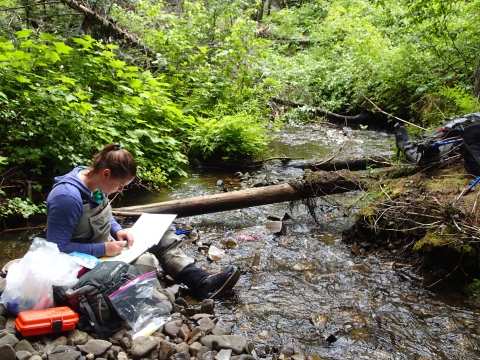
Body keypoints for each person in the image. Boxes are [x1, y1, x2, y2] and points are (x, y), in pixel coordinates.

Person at [46, 142, 240, 299]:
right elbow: (57, 247)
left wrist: (117, 230)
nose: (120, 190)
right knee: (146, 262)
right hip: (81, 263)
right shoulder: (67, 197)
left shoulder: (95, 181)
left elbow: (105, 215)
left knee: (162, 236)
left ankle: (201, 282)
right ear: (105, 173)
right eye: (120, 185)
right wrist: (103, 249)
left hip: (106, 248)